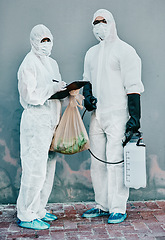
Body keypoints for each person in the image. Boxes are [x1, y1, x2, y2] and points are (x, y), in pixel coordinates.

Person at [82, 9, 144, 224]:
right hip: (97, 116)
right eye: (96, 22)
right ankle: (102, 204)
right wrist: (87, 96)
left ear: (112, 23)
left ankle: (118, 207)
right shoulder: (91, 53)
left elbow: (133, 86)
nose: (100, 25)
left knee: (115, 162)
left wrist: (134, 118)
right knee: (97, 162)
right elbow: (87, 81)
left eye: (103, 21)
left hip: (117, 114)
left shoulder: (125, 51)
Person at [16, 24, 66, 230]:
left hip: (51, 121)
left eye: (48, 40)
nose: (46, 44)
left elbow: (53, 89)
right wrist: (51, 88)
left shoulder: (52, 63)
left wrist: (64, 89)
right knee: (34, 169)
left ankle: (39, 210)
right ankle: (26, 214)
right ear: (34, 41)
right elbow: (29, 94)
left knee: (48, 168)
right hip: (35, 122)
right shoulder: (28, 63)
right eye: (42, 40)